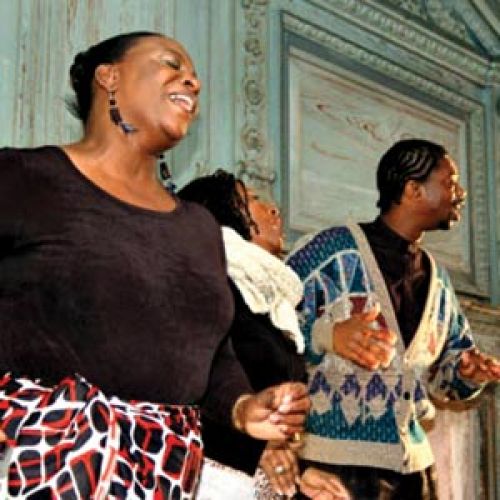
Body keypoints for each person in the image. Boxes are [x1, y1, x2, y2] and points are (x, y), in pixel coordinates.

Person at [0, 32, 310, 499]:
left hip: (165, 472)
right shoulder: (25, 179)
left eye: (195, 75)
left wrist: (243, 408)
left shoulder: (199, 227)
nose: (193, 81)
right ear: (109, 77)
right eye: (171, 64)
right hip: (39, 463)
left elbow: (213, 353)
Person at [286, 139, 500, 499]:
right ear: (413, 190)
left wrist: (466, 374)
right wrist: (326, 335)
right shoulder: (330, 251)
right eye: (450, 182)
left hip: (415, 473)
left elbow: (446, 380)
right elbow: (266, 325)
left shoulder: (438, 281)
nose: (461, 193)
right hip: (332, 472)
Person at [179, 170, 350, 500]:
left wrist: (299, 471)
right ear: (222, 216)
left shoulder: (270, 302)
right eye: (251, 200)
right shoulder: (209, 291)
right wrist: (252, 450)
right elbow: (191, 399)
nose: (273, 209)